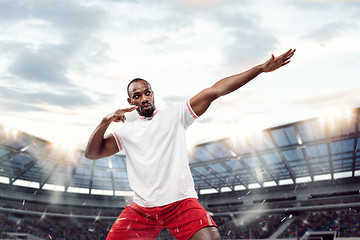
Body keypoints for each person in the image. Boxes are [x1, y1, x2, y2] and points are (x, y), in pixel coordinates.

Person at [85, 48, 296, 240]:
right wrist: (104, 122)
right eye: (137, 96)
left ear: (153, 93)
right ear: (130, 101)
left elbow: (215, 90)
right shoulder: (126, 131)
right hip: (142, 209)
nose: (144, 98)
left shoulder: (176, 114)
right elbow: (92, 153)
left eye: (147, 92)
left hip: (180, 203)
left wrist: (260, 69)